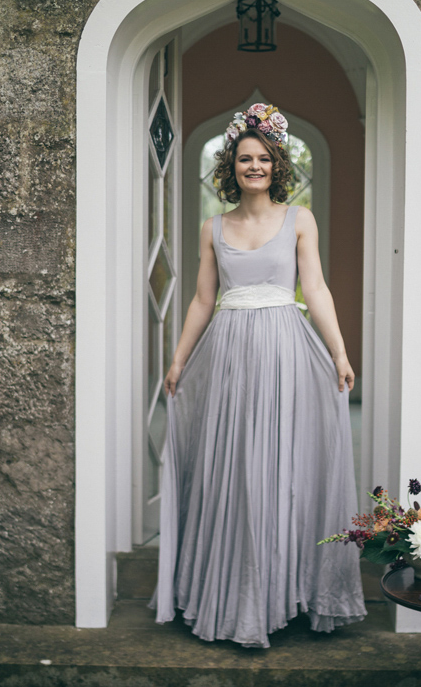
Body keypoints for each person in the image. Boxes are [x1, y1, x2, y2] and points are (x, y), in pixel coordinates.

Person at [149, 103, 366, 648]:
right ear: (231, 167)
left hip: (286, 354)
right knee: (235, 470)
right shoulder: (213, 227)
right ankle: (230, 597)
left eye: (263, 159)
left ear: (277, 165)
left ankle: (282, 593)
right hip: (228, 356)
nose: (254, 167)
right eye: (245, 159)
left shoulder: (300, 219)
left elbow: (315, 289)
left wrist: (339, 352)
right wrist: (177, 361)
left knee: (280, 470)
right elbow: (203, 299)